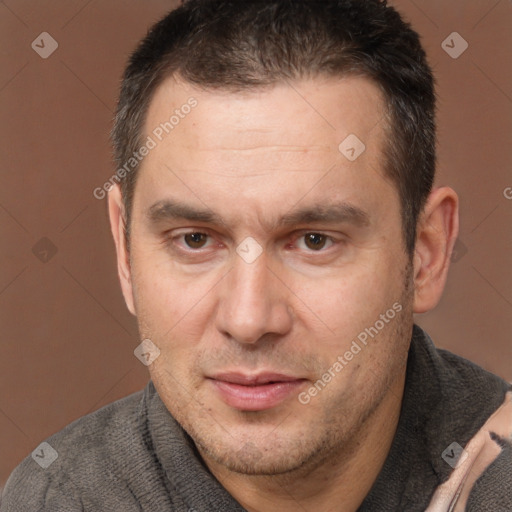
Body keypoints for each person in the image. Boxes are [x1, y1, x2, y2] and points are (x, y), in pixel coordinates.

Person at [2, 1, 511, 510]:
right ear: (126, 252)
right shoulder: (61, 498)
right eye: (194, 240)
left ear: (426, 253)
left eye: (315, 240)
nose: (248, 320)